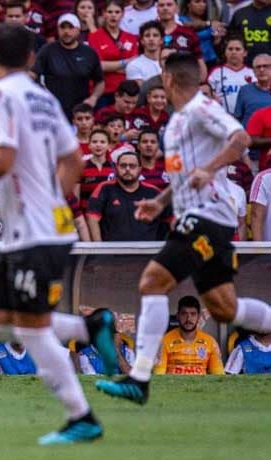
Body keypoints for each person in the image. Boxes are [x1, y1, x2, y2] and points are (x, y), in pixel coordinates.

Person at [0, 24, 119, 445]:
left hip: (34, 232)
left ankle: (82, 417)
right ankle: (92, 328)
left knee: (33, 328)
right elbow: (73, 159)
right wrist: (53, 199)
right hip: (39, 228)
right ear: (29, 58)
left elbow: (3, 158)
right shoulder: (45, 98)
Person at [96, 53, 271, 404]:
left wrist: (209, 169)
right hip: (197, 218)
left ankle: (140, 378)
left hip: (207, 216)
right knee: (225, 309)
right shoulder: (175, 124)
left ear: (170, 79)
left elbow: (241, 140)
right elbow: (182, 175)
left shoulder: (201, 109)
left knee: (151, 282)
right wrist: (160, 203)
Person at [33, 13, 104, 119]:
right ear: (58, 29)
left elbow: (100, 82)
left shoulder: (89, 53)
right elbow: (33, 74)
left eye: (71, 27)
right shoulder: (47, 50)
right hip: (53, 110)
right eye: (63, 27)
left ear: (78, 29)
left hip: (79, 113)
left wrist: (93, 98)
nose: (66, 31)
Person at [87, 151, 171, 241]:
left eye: (132, 166)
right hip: (111, 251)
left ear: (139, 169)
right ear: (116, 168)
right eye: (123, 165)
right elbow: (92, 219)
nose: (127, 169)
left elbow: (170, 220)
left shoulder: (154, 192)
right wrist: (99, 250)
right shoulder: (104, 188)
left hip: (149, 251)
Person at [152, 296, 226, 375]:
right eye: (184, 314)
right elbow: (158, 377)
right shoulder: (164, 341)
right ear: (178, 316)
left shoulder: (211, 343)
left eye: (193, 314)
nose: (188, 319)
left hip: (201, 387)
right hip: (173, 386)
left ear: (198, 317)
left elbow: (219, 377)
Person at [89, 1, 140, 107]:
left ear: (123, 14)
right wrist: (124, 62)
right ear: (104, 14)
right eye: (110, 12)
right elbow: (98, 65)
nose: (113, 15)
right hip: (103, 91)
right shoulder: (95, 36)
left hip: (126, 93)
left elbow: (134, 64)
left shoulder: (131, 38)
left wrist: (110, 66)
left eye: (117, 12)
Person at [77, 129, 116, 210]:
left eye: (102, 142)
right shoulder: (80, 167)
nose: (98, 145)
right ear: (89, 145)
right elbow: (76, 199)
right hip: (86, 213)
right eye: (94, 142)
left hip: (110, 215)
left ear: (109, 146)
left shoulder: (116, 168)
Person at [233, 54, 271, 127]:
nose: (261, 69)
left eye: (266, 66)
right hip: (249, 136)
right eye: (258, 67)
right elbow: (237, 117)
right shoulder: (245, 90)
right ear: (253, 71)